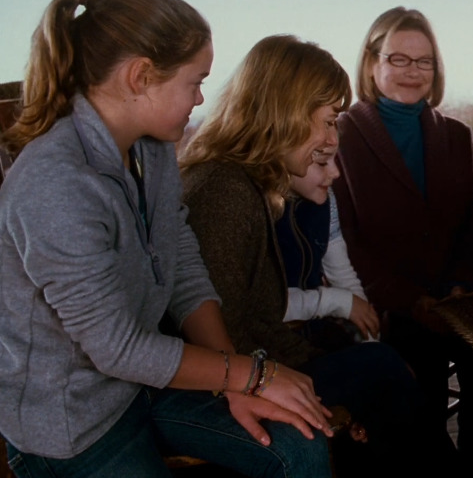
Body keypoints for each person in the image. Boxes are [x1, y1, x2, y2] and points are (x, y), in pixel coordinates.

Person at [0, 0, 334, 478]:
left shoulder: (150, 147)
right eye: (194, 81)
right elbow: (116, 348)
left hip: (146, 386)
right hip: (74, 424)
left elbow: (182, 265)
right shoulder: (55, 184)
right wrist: (254, 372)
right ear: (140, 77)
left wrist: (236, 383)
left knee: (301, 446)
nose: (201, 98)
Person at [179, 34, 448, 476]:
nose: (330, 139)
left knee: (380, 379)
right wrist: (297, 372)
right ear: (283, 114)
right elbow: (221, 330)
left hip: (262, 362)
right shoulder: (226, 192)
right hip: (221, 386)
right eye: (326, 121)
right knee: (383, 371)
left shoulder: (253, 187)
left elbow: (261, 316)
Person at [331, 6, 473, 473]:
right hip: (384, 311)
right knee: (415, 390)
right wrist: (415, 303)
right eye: (398, 59)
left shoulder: (457, 137)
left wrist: (461, 290)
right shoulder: (341, 136)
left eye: (424, 62)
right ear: (371, 63)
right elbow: (345, 242)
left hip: (455, 304)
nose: (412, 72)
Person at [275, 145, 380, 348]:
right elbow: (263, 304)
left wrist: (370, 340)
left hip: (310, 332)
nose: (336, 172)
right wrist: (339, 302)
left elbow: (341, 273)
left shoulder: (324, 198)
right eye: (322, 162)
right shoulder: (255, 205)